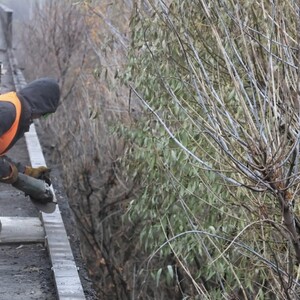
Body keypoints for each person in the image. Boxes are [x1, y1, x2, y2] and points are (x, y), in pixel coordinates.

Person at [0, 77, 60, 186]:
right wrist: (12, 174)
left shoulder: (15, 108)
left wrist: (27, 172)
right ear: (39, 106)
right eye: (45, 114)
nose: (41, 117)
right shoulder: (8, 112)